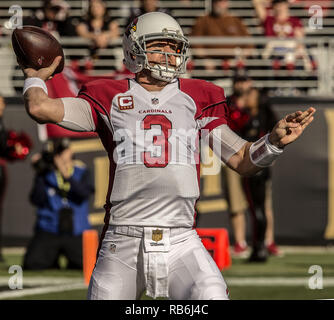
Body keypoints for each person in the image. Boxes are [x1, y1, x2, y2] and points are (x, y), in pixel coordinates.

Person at [19, 12, 315, 299]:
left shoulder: (200, 96)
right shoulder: (107, 94)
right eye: (159, 46)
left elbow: (242, 158)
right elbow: (41, 108)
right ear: (134, 51)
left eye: (174, 48)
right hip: (123, 240)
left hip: (181, 238)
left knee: (212, 297)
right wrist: (34, 76)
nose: (169, 55)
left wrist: (274, 142)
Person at [23, 138, 95, 270]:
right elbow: (36, 199)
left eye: (61, 152)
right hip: (50, 229)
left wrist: (66, 175)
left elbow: (84, 193)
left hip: (76, 231)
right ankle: (52, 258)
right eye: (56, 154)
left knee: (87, 265)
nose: (59, 157)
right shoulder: (46, 174)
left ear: (69, 152)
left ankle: (69, 259)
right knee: (33, 263)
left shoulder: (81, 171)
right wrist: (39, 173)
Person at [225, 76, 253, 257]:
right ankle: (240, 241)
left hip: (255, 153)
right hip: (233, 154)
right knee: (235, 201)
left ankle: (267, 240)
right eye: (239, 80)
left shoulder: (258, 101)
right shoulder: (228, 103)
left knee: (261, 201)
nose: (242, 84)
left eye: (245, 80)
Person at [191, 0, 253, 72]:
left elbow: (249, 44)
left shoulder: (236, 20)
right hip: (209, 65)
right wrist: (204, 59)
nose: (219, 4)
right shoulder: (203, 20)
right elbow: (195, 44)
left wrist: (240, 58)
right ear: (212, 3)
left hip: (234, 64)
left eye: (222, 1)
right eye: (216, 2)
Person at [252, 0, 313, 72]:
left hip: (291, 52)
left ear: (287, 6)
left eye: (282, 4)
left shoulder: (295, 21)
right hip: (273, 54)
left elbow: (300, 40)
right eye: (277, 5)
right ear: (273, 7)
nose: (280, 8)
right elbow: (256, 2)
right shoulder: (268, 20)